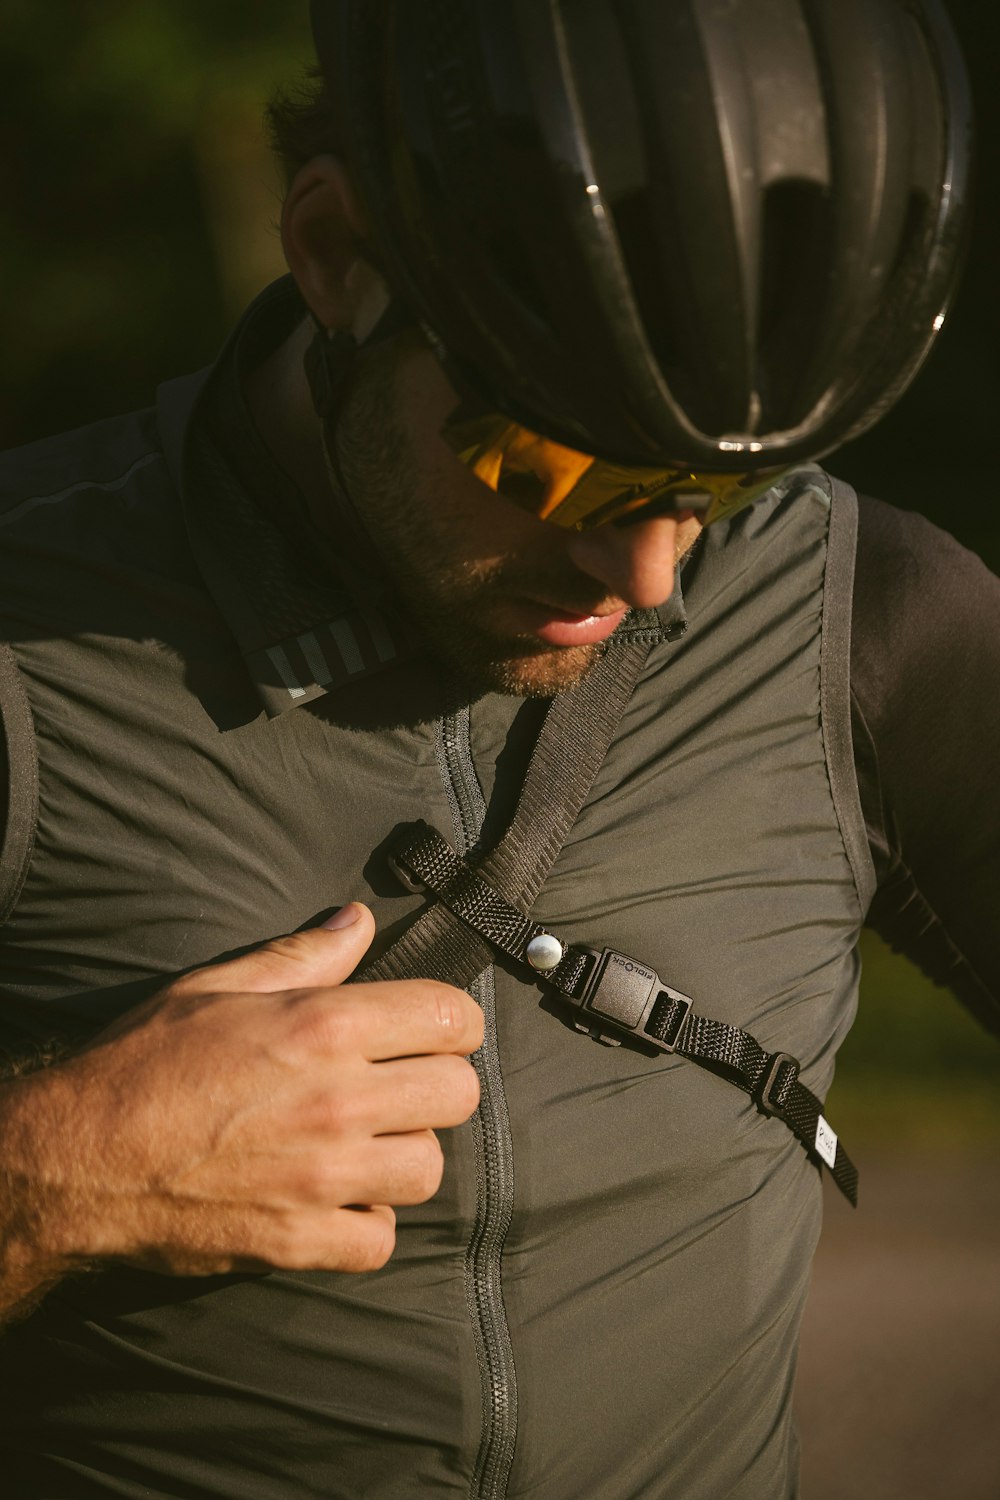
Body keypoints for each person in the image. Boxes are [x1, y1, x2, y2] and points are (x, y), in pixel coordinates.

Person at [0, 1, 996, 1496]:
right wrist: (50, 1175)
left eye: (718, 490)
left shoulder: (871, 617)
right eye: (559, 462)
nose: (651, 576)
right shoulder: (27, 634)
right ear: (338, 259)